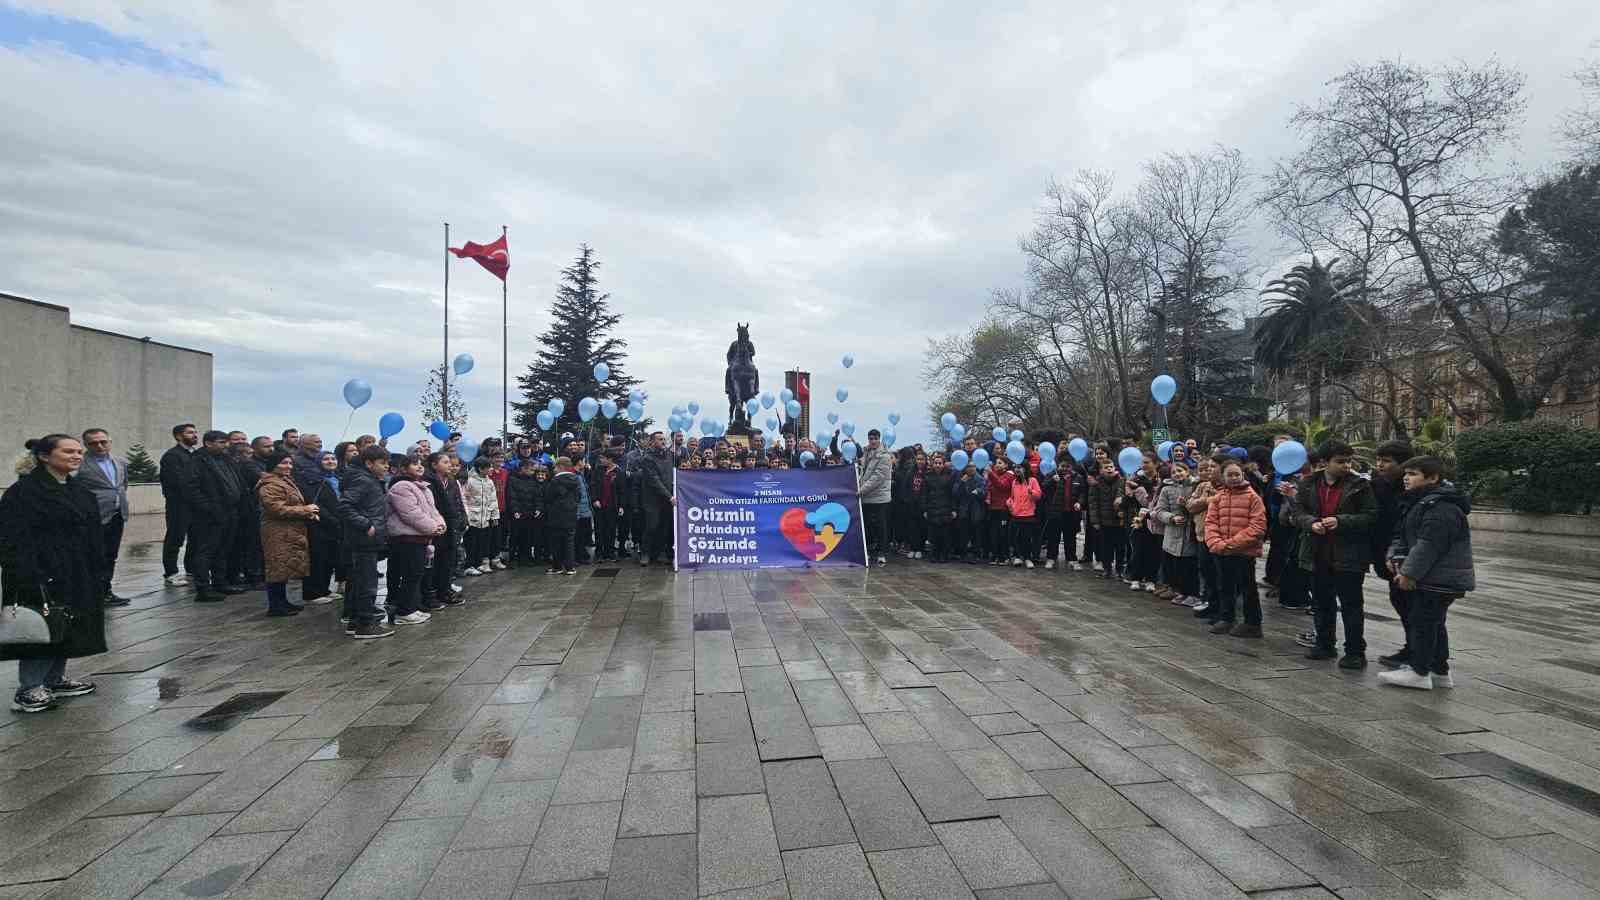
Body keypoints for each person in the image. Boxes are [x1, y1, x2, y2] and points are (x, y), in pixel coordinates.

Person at [0, 435, 107, 713]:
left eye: (78, 452)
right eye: (68, 451)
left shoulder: (79, 490)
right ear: (45, 457)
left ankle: (54, 679)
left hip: (76, 569)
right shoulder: (24, 493)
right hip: (40, 572)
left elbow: (94, 533)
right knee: (41, 627)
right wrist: (27, 574)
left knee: (65, 623)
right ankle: (29, 688)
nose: (76, 456)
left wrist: (99, 569)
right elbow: (11, 538)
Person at [1379, 456, 1475, 690]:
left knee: (1422, 622)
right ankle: (1439, 671)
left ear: (1433, 478)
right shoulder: (1420, 502)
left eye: (1412, 474)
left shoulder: (1441, 506)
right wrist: (1395, 556)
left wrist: (1410, 573)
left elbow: (1429, 544)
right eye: (1406, 473)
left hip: (1438, 577)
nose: (1406, 478)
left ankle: (1419, 670)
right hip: (1432, 575)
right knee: (1433, 622)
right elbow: (1404, 535)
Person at [1288, 439, 1376, 668]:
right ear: (1324, 462)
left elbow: (1371, 515)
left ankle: (1355, 651)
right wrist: (1311, 523)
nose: (1346, 466)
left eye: (1349, 461)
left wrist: (1341, 521)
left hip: (1349, 555)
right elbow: (1297, 512)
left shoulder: (1360, 485)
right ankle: (1325, 643)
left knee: (1351, 605)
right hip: (1317, 552)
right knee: (1321, 602)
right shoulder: (1308, 484)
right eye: (1340, 461)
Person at [337, 446, 393, 639]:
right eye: (382, 463)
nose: (386, 467)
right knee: (367, 582)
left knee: (359, 580)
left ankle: (355, 620)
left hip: (367, 538)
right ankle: (365, 624)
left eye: (387, 463)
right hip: (364, 538)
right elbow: (344, 505)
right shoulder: (363, 480)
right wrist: (366, 525)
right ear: (369, 463)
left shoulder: (371, 480)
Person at [255, 450, 319, 617]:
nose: (288, 466)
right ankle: (275, 605)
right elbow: (276, 508)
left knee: (285, 567)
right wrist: (305, 509)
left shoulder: (285, 480)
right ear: (273, 465)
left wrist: (307, 513)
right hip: (277, 531)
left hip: (290, 530)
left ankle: (283, 601)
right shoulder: (269, 484)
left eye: (290, 463)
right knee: (277, 567)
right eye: (284, 463)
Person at [183, 431, 245, 602]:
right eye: (221, 442)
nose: (225, 445)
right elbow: (192, 489)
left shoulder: (225, 459)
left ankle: (221, 583)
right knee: (206, 551)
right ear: (208, 443)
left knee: (222, 549)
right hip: (209, 516)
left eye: (226, 442)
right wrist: (209, 508)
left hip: (229, 511)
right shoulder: (197, 461)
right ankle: (203, 588)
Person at [1370, 440, 1415, 667]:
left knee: (1413, 605)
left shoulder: (1413, 488)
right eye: (1378, 460)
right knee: (1399, 599)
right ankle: (1413, 647)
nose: (1380, 465)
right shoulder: (1377, 484)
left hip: (1408, 556)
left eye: (1386, 461)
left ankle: (1420, 653)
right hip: (1385, 555)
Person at [386, 455, 445, 624]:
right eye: (414, 464)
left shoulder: (423, 487)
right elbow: (411, 513)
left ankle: (412, 607)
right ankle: (403, 612)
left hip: (420, 537)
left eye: (421, 464)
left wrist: (440, 523)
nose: (419, 466)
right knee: (410, 573)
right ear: (404, 469)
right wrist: (432, 527)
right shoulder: (401, 487)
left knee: (417, 573)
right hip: (407, 537)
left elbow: (432, 510)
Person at [76, 428, 131, 606]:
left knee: (110, 555)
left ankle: (106, 591)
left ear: (109, 441)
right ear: (85, 445)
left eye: (103, 442)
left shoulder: (121, 462)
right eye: (93, 443)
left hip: (117, 515)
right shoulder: (80, 465)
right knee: (93, 556)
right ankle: (91, 593)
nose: (99, 446)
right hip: (93, 518)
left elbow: (122, 485)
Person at [1152, 460, 1200, 606]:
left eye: (1180, 471)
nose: (1177, 474)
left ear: (1187, 471)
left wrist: (1186, 505)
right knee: (1175, 565)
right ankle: (1180, 591)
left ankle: (1192, 593)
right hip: (1173, 533)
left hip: (1190, 533)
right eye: (1174, 472)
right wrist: (1171, 518)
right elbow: (1159, 511)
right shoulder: (1166, 490)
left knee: (1190, 566)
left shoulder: (1195, 487)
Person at [228, 436, 272, 589]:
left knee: (256, 544)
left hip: (254, 507)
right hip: (248, 508)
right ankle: (254, 575)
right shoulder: (248, 465)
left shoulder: (261, 463)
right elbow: (264, 478)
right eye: (266, 446)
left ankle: (256, 574)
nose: (270, 449)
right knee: (252, 544)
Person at [159, 423, 199, 586]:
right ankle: (171, 573)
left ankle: (191, 570)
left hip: (196, 505)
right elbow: (176, 482)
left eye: (195, 432)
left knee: (195, 538)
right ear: (178, 436)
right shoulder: (172, 456)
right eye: (190, 433)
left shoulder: (195, 454)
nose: (195, 435)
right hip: (179, 505)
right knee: (175, 538)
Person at [425, 452, 466, 607]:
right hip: (437, 525)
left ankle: (445, 589)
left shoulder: (452, 481)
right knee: (436, 560)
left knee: (449, 560)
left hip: (452, 525)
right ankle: (434, 591)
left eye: (450, 462)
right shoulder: (429, 482)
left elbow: (458, 502)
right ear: (434, 465)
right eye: (445, 462)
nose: (449, 465)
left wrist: (462, 518)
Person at [637, 432, 676, 567]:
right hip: (652, 500)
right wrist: (669, 496)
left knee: (664, 527)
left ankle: (657, 553)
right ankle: (645, 553)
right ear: (652, 442)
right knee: (651, 526)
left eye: (664, 439)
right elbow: (654, 480)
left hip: (667, 499)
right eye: (660, 439)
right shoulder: (647, 459)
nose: (663, 441)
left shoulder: (669, 456)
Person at [857, 429, 893, 566]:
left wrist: (861, 490)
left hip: (879, 498)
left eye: (874, 438)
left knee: (881, 527)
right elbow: (863, 472)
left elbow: (877, 477)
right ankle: (869, 551)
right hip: (866, 496)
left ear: (879, 439)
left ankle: (882, 553)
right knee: (867, 526)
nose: (872, 441)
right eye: (870, 438)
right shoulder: (866, 452)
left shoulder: (885, 456)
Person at [1086, 460, 1126, 578]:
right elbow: (1093, 503)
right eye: (1106, 467)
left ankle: (1119, 570)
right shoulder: (1097, 483)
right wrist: (1095, 521)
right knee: (1106, 546)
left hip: (1119, 520)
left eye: (1111, 466)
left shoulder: (1121, 480)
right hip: (1104, 520)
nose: (1109, 469)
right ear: (1101, 470)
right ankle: (1107, 568)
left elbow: (1124, 495)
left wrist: (1121, 500)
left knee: (1120, 546)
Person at [463, 456, 502, 575]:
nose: (490, 469)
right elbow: (464, 497)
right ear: (480, 469)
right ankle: (469, 565)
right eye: (488, 467)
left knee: (481, 542)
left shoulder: (489, 481)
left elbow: (493, 499)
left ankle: (479, 564)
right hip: (473, 518)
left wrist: (495, 515)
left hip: (485, 518)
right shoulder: (469, 481)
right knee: (471, 542)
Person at [546, 457, 582, 575]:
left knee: (556, 541)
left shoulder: (555, 481)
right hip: (571, 513)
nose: (554, 470)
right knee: (569, 540)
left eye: (555, 467)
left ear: (561, 467)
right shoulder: (576, 479)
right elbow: (578, 496)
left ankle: (557, 566)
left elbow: (549, 497)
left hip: (556, 514)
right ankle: (570, 567)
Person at [507, 461, 547, 568]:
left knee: (528, 537)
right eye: (531, 470)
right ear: (523, 469)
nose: (533, 472)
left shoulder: (532, 481)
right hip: (518, 513)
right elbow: (512, 497)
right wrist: (515, 510)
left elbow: (538, 496)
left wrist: (538, 508)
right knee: (515, 537)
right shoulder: (513, 479)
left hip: (530, 513)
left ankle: (526, 557)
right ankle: (512, 559)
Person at [1006, 459, 1043, 568]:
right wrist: (1009, 503)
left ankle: (1027, 558)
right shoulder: (1014, 482)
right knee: (1016, 537)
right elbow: (1012, 497)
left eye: (1020, 467)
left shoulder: (1032, 481)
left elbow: (1038, 495)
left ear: (1026, 469)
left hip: (1028, 514)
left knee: (1026, 538)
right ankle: (1017, 557)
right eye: (1016, 467)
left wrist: (1033, 492)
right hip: (1016, 514)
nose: (1017, 469)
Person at [919, 452, 956, 562]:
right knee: (933, 535)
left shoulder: (950, 476)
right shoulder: (927, 476)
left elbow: (952, 494)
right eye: (936, 463)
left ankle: (944, 555)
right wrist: (924, 509)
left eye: (940, 463)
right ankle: (934, 554)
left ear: (943, 464)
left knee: (945, 535)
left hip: (945, 508)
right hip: (932, 508)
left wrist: (954, 509)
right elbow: (924, 494)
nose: (938, 465)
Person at [593, 452, 626, 563]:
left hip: (612, 506)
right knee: (599, 529)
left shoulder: (619, 472)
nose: (601, 460)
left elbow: (622, 491)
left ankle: (610, 552)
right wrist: (595, 499)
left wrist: (621, 506)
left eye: (603, 458)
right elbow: (594, 485)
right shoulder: (598, 470)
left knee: (611, 529)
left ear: (610, 459)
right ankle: (599, 553)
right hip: (600, 505)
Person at [984, 457, 1015, 565]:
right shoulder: (992, 475)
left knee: (1003, 533)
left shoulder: (1009, 476)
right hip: (993, 508)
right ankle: (994, 554)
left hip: (1003, 509)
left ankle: (1004, 555)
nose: (997, 465)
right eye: (996, 463)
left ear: (1006, 465)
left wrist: (991, 474)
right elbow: (989, 487)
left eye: (1000, 463)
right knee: (993, 533)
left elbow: (1002, 486)